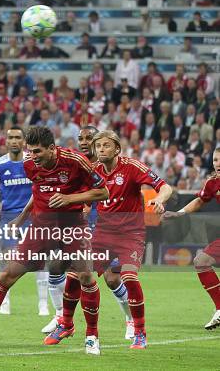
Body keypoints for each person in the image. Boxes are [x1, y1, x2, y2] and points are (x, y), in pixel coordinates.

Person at [0, 126, 109, 351]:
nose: (32, 157)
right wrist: (21, 218)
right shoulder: (30, 166)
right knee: (6, 275)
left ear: (52, 149)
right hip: (41, 228)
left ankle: (92, 336)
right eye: (30, 152)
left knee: (84, 275)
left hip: (72, 225)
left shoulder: (75, 161)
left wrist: (68, 198)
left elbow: (103, 192)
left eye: (37, 152)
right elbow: (38, 192)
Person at [45, 130, 172, 353]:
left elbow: (164, 186)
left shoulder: (132, 167)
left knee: (129, 278)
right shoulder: (93, 170)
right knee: (76, 274)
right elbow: (81, 194)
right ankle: (66, 323)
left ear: (116, 149)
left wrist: (160, 200)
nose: (100, 149)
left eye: (105, 146)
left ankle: (140, 332)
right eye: (98, 146)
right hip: (102, 233)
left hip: (131, 234)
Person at [0, 128, 57, 319]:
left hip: (34, 216)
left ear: (24, 142)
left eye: (17, 138)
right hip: (9, 218)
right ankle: (5, 303)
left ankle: (42, 304)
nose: (14, 141)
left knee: (40, 261)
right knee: (7, 260)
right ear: (6, 141)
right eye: (10, 137)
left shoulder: (33, 162)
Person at [163, 148, 220, 330]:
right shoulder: (213, 183)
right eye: (215, 160)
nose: (217, 163)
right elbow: (200, 201)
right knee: (201, 261)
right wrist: (179, 213)